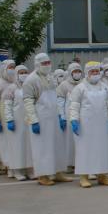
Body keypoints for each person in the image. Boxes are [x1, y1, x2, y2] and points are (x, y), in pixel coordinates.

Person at [23, 53, 72, 186]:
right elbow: (28, 101)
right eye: (44, 63)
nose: (47, 65)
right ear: (37, 64)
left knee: (57, 146)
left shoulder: (50, 77)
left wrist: (60, 115)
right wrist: (34, 121)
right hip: (41, 119)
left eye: (48, 63)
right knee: (42, 148)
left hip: (53, 117)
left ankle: (58, 172)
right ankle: (42, 175)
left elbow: (55, 97)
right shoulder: (31, 80)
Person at [69, 62, 108, 188]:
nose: (95, 74)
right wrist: (74, 120)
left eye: (97, 71)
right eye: (93, 72)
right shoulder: (80, 88)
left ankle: (102, 175)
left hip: (102, 124)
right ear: (87, 73)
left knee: (102, 149)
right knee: (85, 150)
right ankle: (84, 177)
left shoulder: (104, 87)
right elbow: (74, 106)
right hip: (86, 125)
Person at [1, 64, 33, 180]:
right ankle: (17, 170)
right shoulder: (11, 88)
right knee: (17, 146)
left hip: (28, 121)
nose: (24, 75)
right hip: (16, 122)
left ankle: (29, 169)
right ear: (16, 74)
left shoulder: (29, 87)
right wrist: (9, 120)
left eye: (25, 72)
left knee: (28, 146)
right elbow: (7, 105)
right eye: (21, 73)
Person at [56, 62, 82, 170]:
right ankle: (69, 162)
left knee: (80, 139)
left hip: (81, 115)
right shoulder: (64, 85)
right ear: (70, 73)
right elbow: (60, 101)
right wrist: (62, 116)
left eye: (79, 71)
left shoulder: (83, 84)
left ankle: (79, 162)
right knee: (69, 140)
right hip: (68, 116)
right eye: (75, 71)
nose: (77, 73)